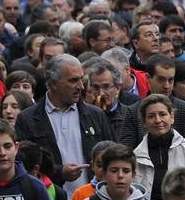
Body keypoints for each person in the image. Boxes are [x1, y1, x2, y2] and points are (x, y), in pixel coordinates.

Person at [14, 54, 113, 185]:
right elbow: (24, 163)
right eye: (73, 80)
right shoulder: (27, 119)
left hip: (92, 199)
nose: (81, 87)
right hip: (50, 199)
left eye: (81, 79)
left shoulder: (96, 115)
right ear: (53, 83)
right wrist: (58, 172)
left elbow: (113, 155)